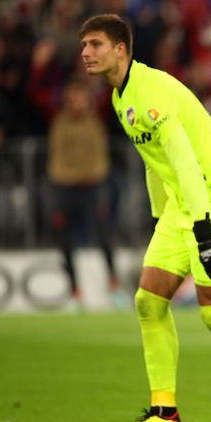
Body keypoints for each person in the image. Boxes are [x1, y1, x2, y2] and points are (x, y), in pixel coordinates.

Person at [80, 14, 211, 422]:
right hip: (181, 207)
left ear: (120, 49)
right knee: (148, 301)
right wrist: (161, 219)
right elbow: (155, 164)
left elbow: (184, 162)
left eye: (94, 44)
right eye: (84, 46)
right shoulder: (118, 98)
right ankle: (165, 413)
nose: (85, 53)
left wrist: (203, 235)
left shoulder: (153, 93)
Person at [47, 79, 123, 308]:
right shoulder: (60, 125)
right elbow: (56, 163)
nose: (78, 103)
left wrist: (84, 175)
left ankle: (114, 284)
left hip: (91, 190)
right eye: (74, 99)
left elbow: (101, 162)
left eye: (81, 99)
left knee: (104, 236)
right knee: (65, 241)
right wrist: (76, 175)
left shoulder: (94, 124)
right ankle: (74, 291)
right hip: (65, 191)